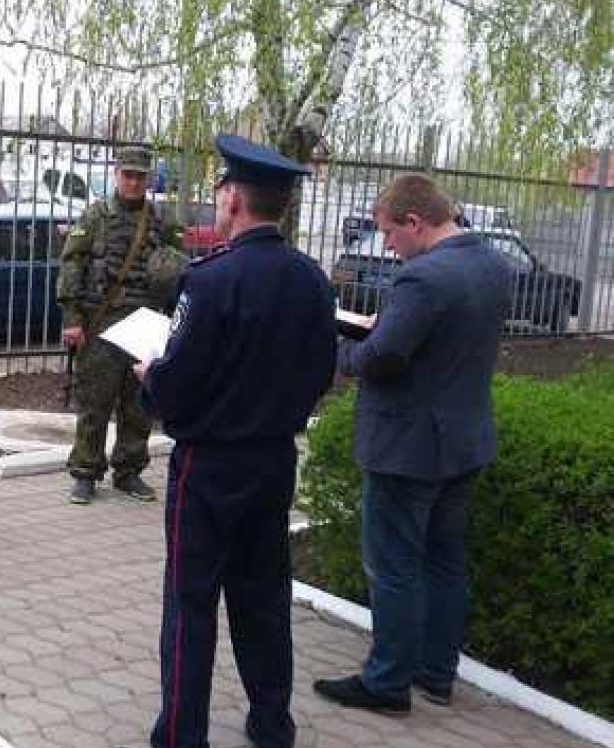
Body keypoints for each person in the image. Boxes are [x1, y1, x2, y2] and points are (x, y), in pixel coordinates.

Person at [134, 134, 337, 748]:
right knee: (264, 599)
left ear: (231, 200)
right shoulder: (311, 279)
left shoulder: (210, 281)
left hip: (209, 466)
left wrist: (151, 377)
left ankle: (180, 735)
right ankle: (273, 723)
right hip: (275, 460)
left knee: (190, 603)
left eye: (220, 191)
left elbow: (179, 381)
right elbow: (320, 373)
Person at [313, 173, 513, 713]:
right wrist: (388, 327)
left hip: (409, 447)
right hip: (464, 440)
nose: (387, 246)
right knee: (444, 561)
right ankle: (436, 674)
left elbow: (382, 358)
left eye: (388, 233)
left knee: (394, 565)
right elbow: (438, 341)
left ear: (415, 222)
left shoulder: (423, 279)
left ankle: (387, 683)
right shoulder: (493, 266)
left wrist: (345, 351)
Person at [57, 145, 186, 505]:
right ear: (117, 175)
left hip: (146, 322)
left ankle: (129, 470)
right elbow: (72, 265)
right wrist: (72, 319)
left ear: (147, 179)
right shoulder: (95, 216)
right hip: (101, 322)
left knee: (139, 403)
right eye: (127, 175)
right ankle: (85, 471)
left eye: (139, 177)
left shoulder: (161, 220)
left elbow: (180, 268)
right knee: (95, 401)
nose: (133, 182)